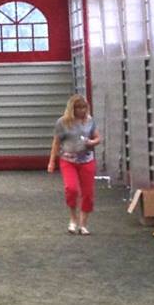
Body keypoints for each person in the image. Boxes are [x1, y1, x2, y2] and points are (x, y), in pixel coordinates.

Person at [47, 94, 103, 235]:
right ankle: (73, 218)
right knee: (71, 189)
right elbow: (56, 142)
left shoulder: (90, 121)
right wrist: (51, 161)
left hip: (87, 160)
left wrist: (92, 142)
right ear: (72, 108)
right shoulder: (62, 123)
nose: (82, 110)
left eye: (84, 107)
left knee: (88, 193)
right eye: (78, 108)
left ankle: (83, 224)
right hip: (68, 160)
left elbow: (98, 138)